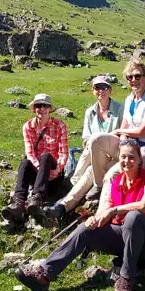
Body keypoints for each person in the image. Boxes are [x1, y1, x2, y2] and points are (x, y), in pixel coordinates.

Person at [15, 138, 145, 291]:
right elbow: (105, 209)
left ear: (139, 160)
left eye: (131, 157)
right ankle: (44, 274)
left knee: (133, 217)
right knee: (85, 229)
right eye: (123, 157)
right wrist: (95, 219)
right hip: (126, 239)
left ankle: (127, 278)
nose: (126, 161)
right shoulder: (116, 182)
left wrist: (114, 210)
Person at [43, 76, 124, 219]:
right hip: (96, 157)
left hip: (115, 154)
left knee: (95, 140)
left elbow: (123, 134)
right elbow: (85, 138)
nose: (101, 91)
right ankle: (62, 207)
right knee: (90, 170)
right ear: (93, 91)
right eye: (97, 87)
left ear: (110, 90)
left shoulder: (120, 109)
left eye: (104, 87)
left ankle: (73, 182)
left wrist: (101, 141)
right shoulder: (90, 112)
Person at [1, 93, 68, 223]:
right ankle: (19, 202)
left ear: (49, 109)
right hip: (38, 173)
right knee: (25, 161)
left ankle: (37, 198)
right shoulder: (28, 127)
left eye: (45, 106)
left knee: (46, 156)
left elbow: (64, 153)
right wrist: (38, 168)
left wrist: (58, 170)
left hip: (53, 174)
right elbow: (29, 152)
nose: (41, 109)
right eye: (38, 106)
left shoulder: (59, 125)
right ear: (34, 108)